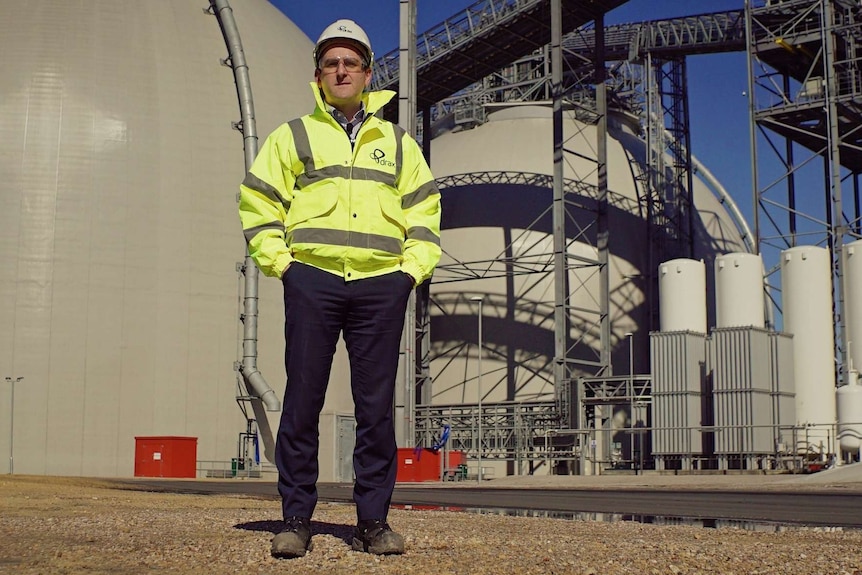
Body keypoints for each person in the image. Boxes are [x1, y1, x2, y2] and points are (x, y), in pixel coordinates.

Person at [238, 19, 442, 559]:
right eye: (332, 62)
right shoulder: (293, 136)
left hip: (381, 286)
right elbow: (259, 204)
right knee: (302, 401)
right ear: (319, 74)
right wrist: (284, 267)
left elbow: (424, 210)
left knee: (375, 408)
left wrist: (409, 274)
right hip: (314, 282)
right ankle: (296, 519)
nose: (342, 70)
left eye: (351, 62)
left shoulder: (397, 142)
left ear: (369, 73)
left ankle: (373, 522)